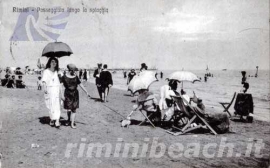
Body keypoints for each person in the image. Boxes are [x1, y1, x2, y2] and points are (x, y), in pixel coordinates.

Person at [62, 64, 90, 129]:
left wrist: (86, 92)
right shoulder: (64, 77)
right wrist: (61, 95)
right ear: (70, 70)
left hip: (75, 94)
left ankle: (72, 123)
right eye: (74, 70)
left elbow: (80, 84)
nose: (75, 72)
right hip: (67, 94)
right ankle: (68, 119)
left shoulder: (75, 77)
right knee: (68, 109)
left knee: (74, 109)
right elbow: (60, 86)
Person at [41, 57, 62, 128]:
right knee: (51, 105)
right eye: (52, 61)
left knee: (57, 105)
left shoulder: (57, 71)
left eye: (55, 62)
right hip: (49, 89)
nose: (54, 63)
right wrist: (45, 89)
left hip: (57, 89)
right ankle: (52, 119)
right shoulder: (46, 71)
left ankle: (57, 120)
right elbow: (43, 81)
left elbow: (61, 81)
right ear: (49, 62)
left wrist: (59, 75)